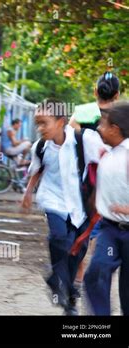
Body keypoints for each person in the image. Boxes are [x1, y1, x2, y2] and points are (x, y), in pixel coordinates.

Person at [21, 99, 105, 315]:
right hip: (53, 199)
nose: (40, 128)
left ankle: (61, 287)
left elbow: (104, 160)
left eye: (44, 123)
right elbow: (37, 170)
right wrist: (28, 193)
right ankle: (68, 299)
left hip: (80, 203)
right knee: (60, 238)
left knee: (77, 249)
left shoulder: (84, 140)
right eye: (37, 123)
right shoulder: (39, 147)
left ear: (61, 122)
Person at [72, 72, 120, 291]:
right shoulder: (121, 115)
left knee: (83, 224)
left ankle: (80, 274)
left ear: (95, 91)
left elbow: (70, 137)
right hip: (114, 180)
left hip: (85, 178)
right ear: (117, 94)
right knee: (106, 224)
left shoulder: (82, 112)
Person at [84, 102, 129, 315]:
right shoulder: (108, 155)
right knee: (96, 272)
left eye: (103, 124)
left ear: (116, 129)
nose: (99, 128)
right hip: (109, 229)